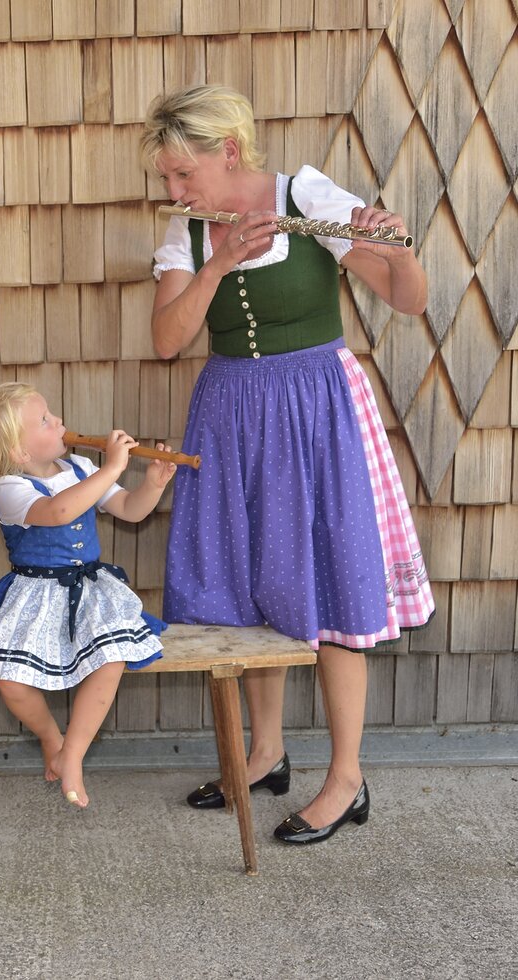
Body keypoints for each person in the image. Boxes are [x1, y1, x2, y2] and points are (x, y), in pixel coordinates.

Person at [141, 84, 435, 844]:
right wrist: (215, 266)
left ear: (227, 152)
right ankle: (266, 752)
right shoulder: (189, 233)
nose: (174, 191)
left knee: (335, 578)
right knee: (250, 583)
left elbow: (406, 299)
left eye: (183, 174)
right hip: (232, 415)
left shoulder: (305, 196)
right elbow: (168, 340)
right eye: (167, 178)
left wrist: (399, 243)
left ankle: (347, 778)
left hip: (317, 411)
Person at [0, 383, 173, 808]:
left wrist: (152, 484)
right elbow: (57, 513)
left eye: (50, 413)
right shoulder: (7, 488)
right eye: (44, 421)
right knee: (9, 680)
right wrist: (111, 468)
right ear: (18, 453)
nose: (58, 422)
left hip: (90, 590)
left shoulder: (81, 467)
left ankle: (74, 752)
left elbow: (130, 508)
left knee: (111, 658)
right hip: (34, 595)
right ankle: (52, 738)